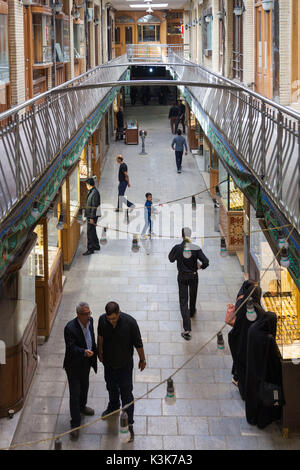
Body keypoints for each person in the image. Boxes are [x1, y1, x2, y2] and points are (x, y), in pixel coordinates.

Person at [97, 301, 146, 442]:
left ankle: (129, 423)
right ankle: (113, 406)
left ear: (119, 312)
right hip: (109, 363)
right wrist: (100, 352)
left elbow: (138, 343)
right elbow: (100, 336)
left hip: (125, 365)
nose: (111, 321)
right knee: (111, 387)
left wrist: (142, 360)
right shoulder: (102, 320)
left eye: (114, 318)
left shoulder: (130, 323)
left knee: (126, 393)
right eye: (109, 318)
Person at [63, 302, 97, 440]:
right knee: (75, 393)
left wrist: (96, 351)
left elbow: (91, 337)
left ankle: (82, 407)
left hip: (86, 363)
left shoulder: (90, 321)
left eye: (89, 313)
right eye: (85, 314)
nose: (88, 316)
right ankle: (75, 424)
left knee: (85, 387)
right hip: (74, 366)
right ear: (78, 314)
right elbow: (71, 348)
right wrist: (84, 351)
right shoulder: (70, 328)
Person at [168, 227, 209, 340]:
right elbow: (206, 261)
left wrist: (178, 256)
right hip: (194, 275)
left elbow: (170, 259)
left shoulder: (177, 248)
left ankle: (187, 328)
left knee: (183, 300)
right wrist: (201, 266)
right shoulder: (196, 248)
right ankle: (192, 311)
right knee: (193, 293)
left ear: (182, 236)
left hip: (182, 276)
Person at [245, 311, 283, 429]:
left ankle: (252, 417)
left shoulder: (253, 328)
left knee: (253, 396)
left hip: (252, 370)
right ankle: (261, 420)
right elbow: (274, 358)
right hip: (263, 374)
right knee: (262, 399)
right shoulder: (268, 339)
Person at [228, 281, 265, 400]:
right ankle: (245, 391)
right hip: (249, 343)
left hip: (239, 340)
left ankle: (240, 386)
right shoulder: (258, 310)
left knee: (241, 365)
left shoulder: (242, 304)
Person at [83, 178, 101, 255]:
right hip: (90, 215)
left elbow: (94, 207)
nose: (86, 186)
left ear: (89, 185)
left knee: (89, 232)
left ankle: (90, 249)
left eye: (86, 185)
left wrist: (91, 218)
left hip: (92, 216)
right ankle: (96, 245)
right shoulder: (91, 191)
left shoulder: (95, 193)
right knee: (92, 230)